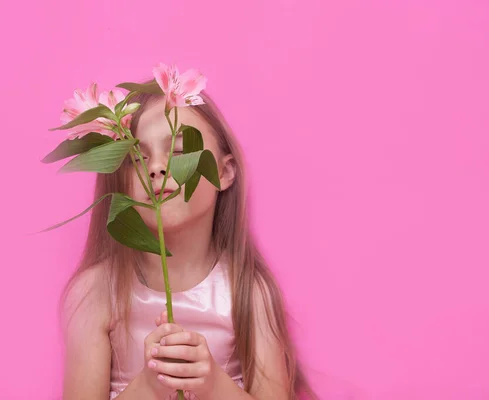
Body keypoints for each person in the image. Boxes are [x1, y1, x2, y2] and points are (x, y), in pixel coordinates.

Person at [60, 87, 315, 400]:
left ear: (224, 172)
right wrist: (149, 387)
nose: (156, 167)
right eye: (135, 158)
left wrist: (212, 385)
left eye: (179, 152)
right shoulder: (96, 292)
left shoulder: (247, 290)